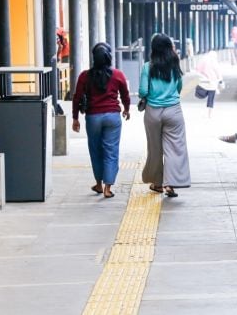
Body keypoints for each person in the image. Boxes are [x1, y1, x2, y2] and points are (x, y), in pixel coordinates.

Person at [72, 42, 130, 199]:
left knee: (96, 150)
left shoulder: (85, 76)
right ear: (109, 57)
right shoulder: (118, 74)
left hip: (93, 118)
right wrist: (126, 109)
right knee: (111, 151)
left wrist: (75, 118)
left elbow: (77, 97)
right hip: (112, 117)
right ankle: (108, 188)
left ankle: (98, 183)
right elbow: (125, 94)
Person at [139, 34, 190, 197]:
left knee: (155, 148)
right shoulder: (174, 64)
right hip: (173, 110)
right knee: (174, 148)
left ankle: (157, 183)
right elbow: (179, 86)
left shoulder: (148, 66)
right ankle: (171, 184)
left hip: (153, 112)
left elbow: (143, 91)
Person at [195, 51, 223, 119]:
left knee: (199, 91)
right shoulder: (215, 62)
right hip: (213, 83)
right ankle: (209, 115)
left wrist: (201, 75)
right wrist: (220, 81)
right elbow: (218, 72)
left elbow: (197, 69)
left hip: (204, 81)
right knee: (211, 99)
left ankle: (204, 94)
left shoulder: (203, 59)